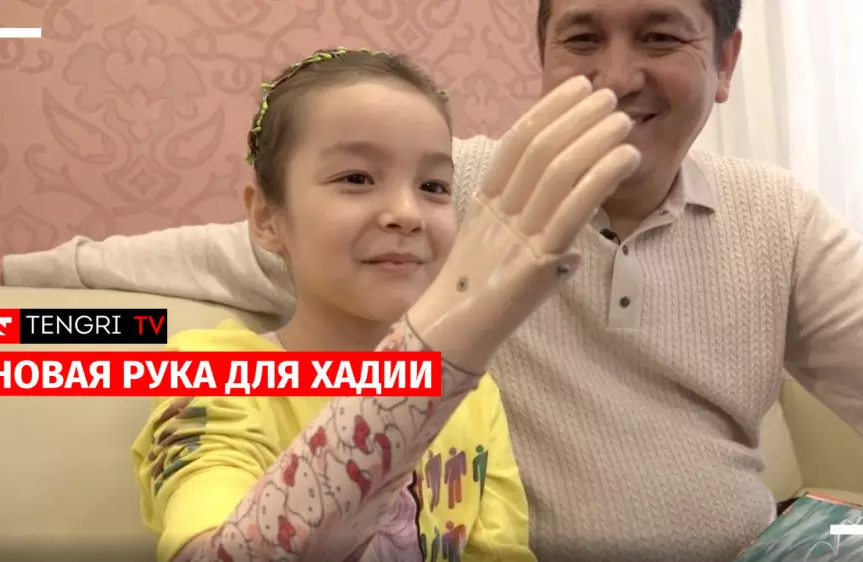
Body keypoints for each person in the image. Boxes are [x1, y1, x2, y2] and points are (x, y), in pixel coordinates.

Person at [0, 0, 863, 560]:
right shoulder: (463, 205)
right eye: (581, 36)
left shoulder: (774, 218)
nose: (616, 74)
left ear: (724, 62)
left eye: (661, 34)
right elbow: (208, 255)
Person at [129, 47, 638, 562]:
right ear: (265, 217)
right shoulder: (213, 371)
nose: (406, 213)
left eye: (433, 186)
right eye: (356, 178)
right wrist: (440, 344)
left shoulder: (474, 396)